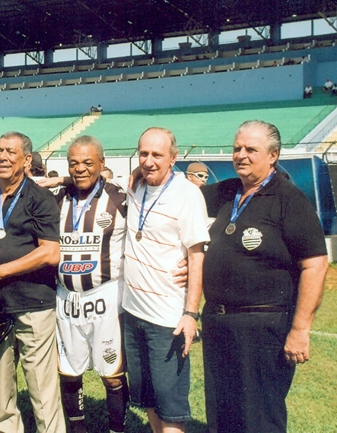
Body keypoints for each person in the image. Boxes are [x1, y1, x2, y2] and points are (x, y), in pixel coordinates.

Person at [200, 120, 328, 433]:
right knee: (222, 414)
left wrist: (300, 329)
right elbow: (179, 196)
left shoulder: (289, 199)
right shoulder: (229, 191)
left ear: (272, 155)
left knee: (259, 418)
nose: (240, 155)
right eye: (236, 148)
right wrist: (141, 174)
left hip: (263, 328)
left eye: (250, 149)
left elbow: (316, 265)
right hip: (219, 324)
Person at [0, 131, 66, 433]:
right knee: (1, 381)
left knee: (41, 385)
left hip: (33, 302)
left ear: (26, 160)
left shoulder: (40, 198)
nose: (2, 157)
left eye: (11, 152)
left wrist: (0, 271)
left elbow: (50, 253)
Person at [123, 127, 209, 433]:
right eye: (143, 153)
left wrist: (190, 314)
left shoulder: (188, 194)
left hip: (167, 319)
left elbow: (196, 257)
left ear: (173, 158)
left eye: (157, 155)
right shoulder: (135, 186)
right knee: (148, 398)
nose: (149, 161)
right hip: (132, 314)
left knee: (170, 407)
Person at [54, 136, 128, 433]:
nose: (80, 169)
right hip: (67, 299)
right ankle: (77, 429)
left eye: (88, 162)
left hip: (106, 297)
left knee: (112, 375)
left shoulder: (121, 198)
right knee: (70, 373)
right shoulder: (57, 198)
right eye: (74, 163)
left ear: (102, 163)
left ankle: (116, 429)